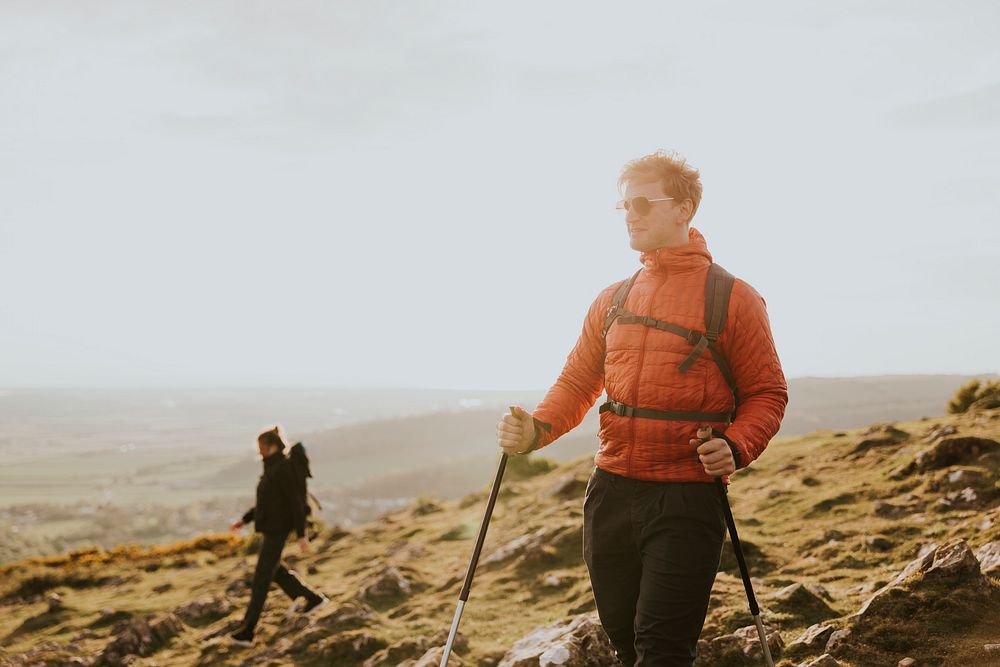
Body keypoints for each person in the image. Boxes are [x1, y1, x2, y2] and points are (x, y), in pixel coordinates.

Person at [496, 150, 787, 666]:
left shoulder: (734, 298)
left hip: (686, 498)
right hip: (609, 493)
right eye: (622, 205)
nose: (629, 214)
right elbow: (579, 381)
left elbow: (767, 393)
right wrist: (536, 430)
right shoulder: (613, 298)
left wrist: (736, 446)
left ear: (684, 208)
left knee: (662, 650)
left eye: (641, 202)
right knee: (627, 643)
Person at [228, 426, 328, 646]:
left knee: (261, 580)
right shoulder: (272, 468)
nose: (259, 451)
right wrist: (244, 520)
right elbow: (265, 503)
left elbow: (296, 504)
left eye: (261, 447)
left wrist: (302, 535)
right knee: (275, 571)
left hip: (277, 531)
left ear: (272, 446)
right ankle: (312, 599)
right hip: (270, 529)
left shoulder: (282, 469)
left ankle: (247, 632)